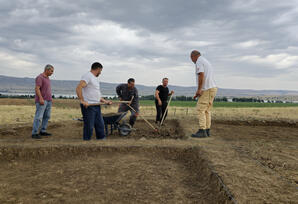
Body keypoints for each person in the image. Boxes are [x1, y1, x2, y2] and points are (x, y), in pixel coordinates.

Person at [76, 62, 112, 141]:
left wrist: (105, 101)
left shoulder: (95, 78)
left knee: (100, 125)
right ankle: (87, 142)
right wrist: (82, 101)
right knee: (89, 126)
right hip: (89, 106)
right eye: (101, 71)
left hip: (96, 105)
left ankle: (101, 140)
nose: (100, 73)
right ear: (98, 69)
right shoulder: (87, 76)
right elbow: (79, 88)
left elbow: (97, 95)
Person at [190, 50, 217, 138]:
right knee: (207, 111)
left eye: (191, 58)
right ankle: (207, 130)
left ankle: (202, 130)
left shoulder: (199, 61)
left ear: (193, 56)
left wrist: (199, 89)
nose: (192, 61)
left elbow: (201, 74)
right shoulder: (205, 61)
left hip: (207, 89)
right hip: (211, 88)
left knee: (200, 109)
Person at [31, 64, 54, 139]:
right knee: (39, 117)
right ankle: (34, 133)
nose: (52, 72)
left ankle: (43, 131)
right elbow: (37, 88)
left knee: (47, 116)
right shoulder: (40, 77)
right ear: (46, 70)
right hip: (42, 100)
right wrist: (40, 98)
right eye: (51, 71)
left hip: (48, 100)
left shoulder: (47, 78)